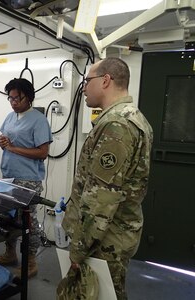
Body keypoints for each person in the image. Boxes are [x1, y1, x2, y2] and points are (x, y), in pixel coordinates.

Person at [62, 57, 153, 300]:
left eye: (87, 81)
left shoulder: (117, 124)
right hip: (114, 234)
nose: (83, 88)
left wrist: (79, 249)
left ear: (105, 81)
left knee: (101, 293)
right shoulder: (131, 116)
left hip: (104, 239)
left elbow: (101, 200)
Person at [0, 78, 52, 278]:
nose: (12, 102)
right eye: (10, 98)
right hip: (8, 174)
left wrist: (12, 148)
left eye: (16, 98)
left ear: (28, 97)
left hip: (28, 178)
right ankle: (10, 253)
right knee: (8, 216)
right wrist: (3, 142)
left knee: (28, 221)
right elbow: (5, 139)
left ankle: (30, 262)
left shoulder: (38, 120)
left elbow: (42, 152)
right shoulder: (11, 116)